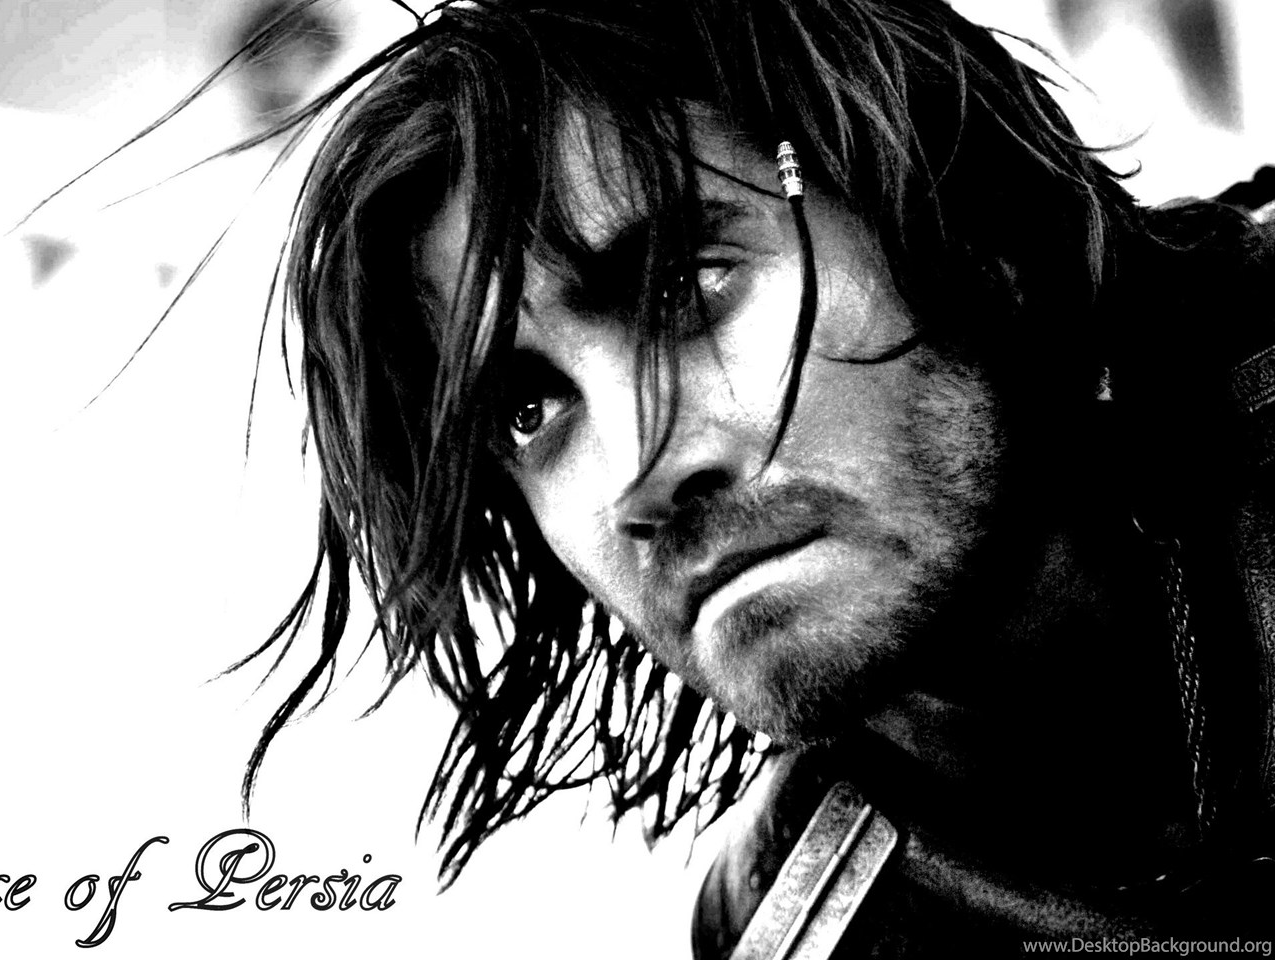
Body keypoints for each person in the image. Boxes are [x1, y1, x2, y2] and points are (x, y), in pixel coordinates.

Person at [222, 0, 1275, 953]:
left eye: (685, 286)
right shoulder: (800, 928)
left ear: (967, 227)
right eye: (527, 410)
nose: (634, 478)